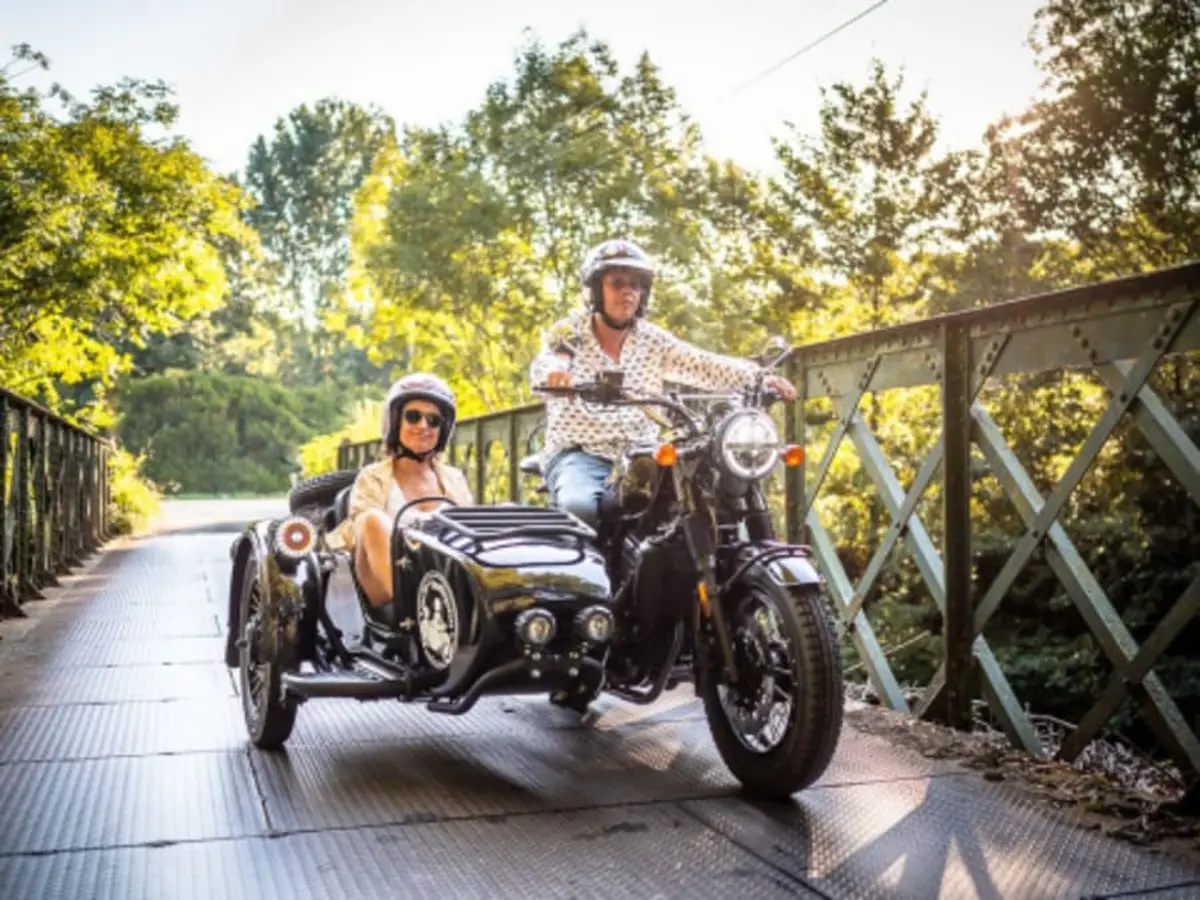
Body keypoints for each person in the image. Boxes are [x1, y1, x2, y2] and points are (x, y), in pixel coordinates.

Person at [528, 238, 797, 528]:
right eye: (617, 283)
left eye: (636, 285)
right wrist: (556, 377)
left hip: (644, 455)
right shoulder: (570, 333)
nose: (628, 292)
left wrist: (758, 376)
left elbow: (702, 365)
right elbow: (550, 361)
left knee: (699, 499)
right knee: (580, 508)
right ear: (595, 290)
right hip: (581, 453)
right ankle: (586, 573)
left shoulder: (652, 340)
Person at [327, 373, 474, 609]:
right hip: (386, 590)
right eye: (413, 417)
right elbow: (360, 532)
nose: (423, 426)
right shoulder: (372, 476)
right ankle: (416, 607)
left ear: (443, 429)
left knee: (506, 514)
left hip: (446, 579)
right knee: (371, 519)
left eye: (433, 420)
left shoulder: (454, 478)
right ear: (395, 422)